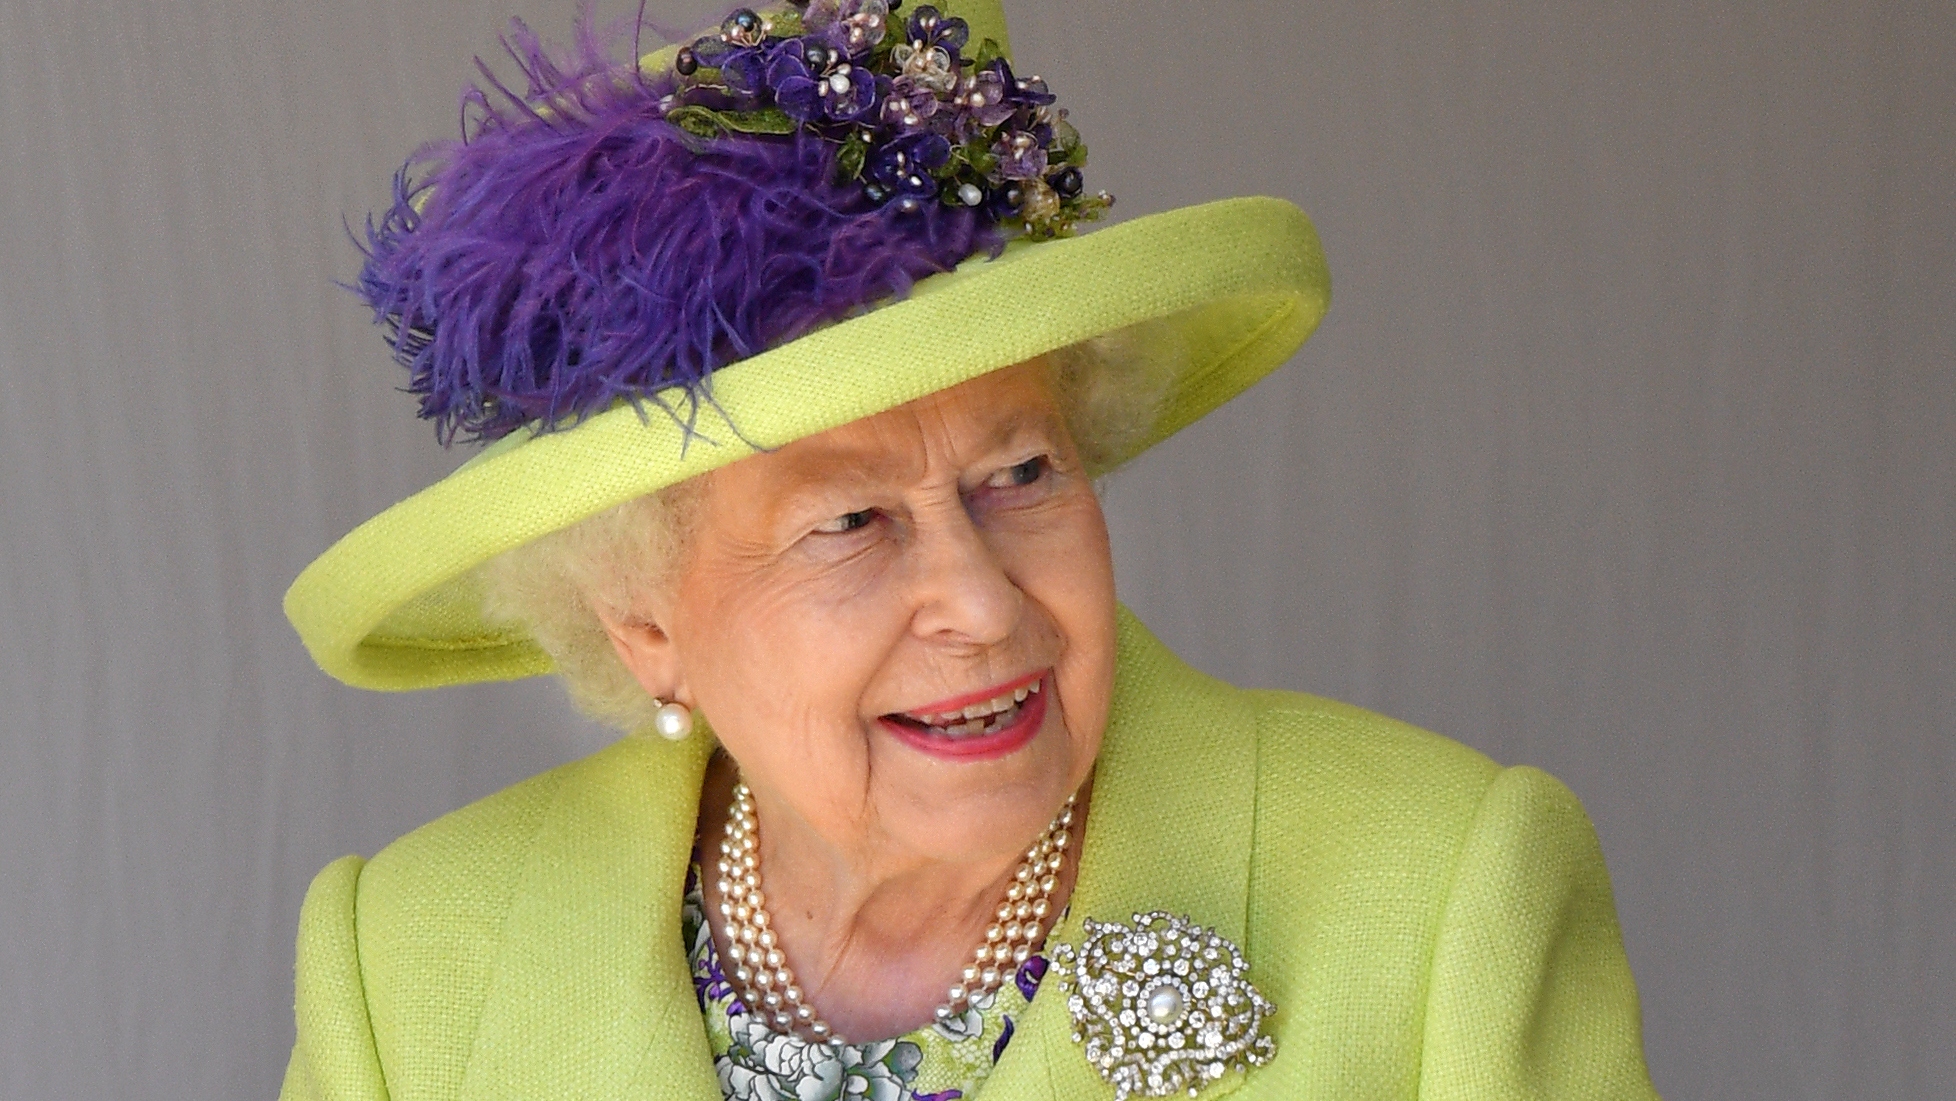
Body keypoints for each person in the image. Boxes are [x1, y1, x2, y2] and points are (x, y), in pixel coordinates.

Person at [279, 2, 1660, 1098]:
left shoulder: (1442, 895)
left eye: (1021, 473)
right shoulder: (409, 965)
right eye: (850, 522)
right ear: (644, 623)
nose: (982, 605)